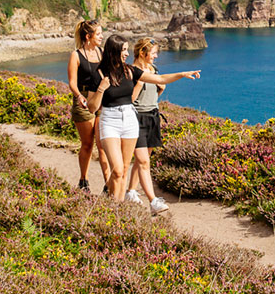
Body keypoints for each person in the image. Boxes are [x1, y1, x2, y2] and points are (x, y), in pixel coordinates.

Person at [87, 34, 199, 207]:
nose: (126, 54)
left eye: (126, 50)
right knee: (116, 171)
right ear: (113, 52)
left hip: (130, 120)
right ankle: (113, 206)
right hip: (110, 121)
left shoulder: (129, 71)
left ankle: (117, 208)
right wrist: (101, 89)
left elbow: (160, 79)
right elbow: (92, 108)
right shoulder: (98, 74)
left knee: (124, 169)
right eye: (123, 50)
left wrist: (182, 74)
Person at [126, 37, 170, 214]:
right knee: (143, 160)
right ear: (143, 53)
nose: (156, 56)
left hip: (153, 116)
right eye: (153, 53)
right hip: (137, 118)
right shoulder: (132, 72)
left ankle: (130, 191)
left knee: (143, 159)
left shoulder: (153, 70)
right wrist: (139, 83)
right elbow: (129, 100)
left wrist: (160, 89)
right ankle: (153, 201)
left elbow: (152, 96)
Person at [67, 19, 109, 192]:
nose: (101, 36)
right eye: (98, 34)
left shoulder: (102, 53)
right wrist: (78, 96)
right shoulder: (76, 55)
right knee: (87, 144)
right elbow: (72, 82)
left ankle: (109, 184)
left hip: (100, 99)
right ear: (88, 36)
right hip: (83, 101)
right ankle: (83, 180)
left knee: (103, 145)